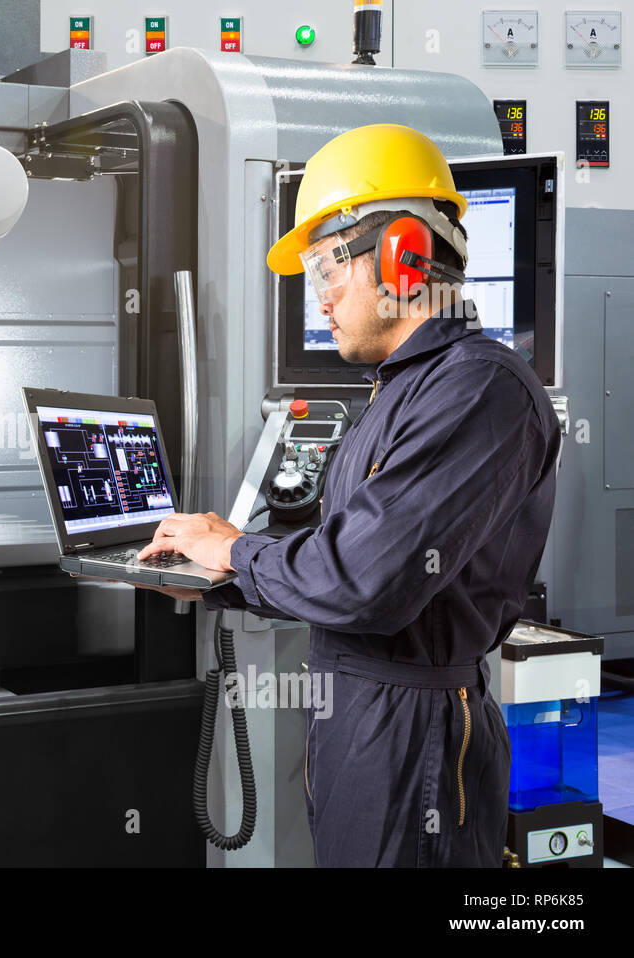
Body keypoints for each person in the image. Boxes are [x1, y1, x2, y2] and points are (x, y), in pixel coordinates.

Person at [135, 124, 561, 866]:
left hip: (414, 735)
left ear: (401, 258)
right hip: (366, 717)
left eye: (329, 268)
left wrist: (236, 552)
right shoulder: (401, 391)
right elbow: (345, 555)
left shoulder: (478, 389)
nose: (320, 297)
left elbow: (367, 581)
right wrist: (221, 578)